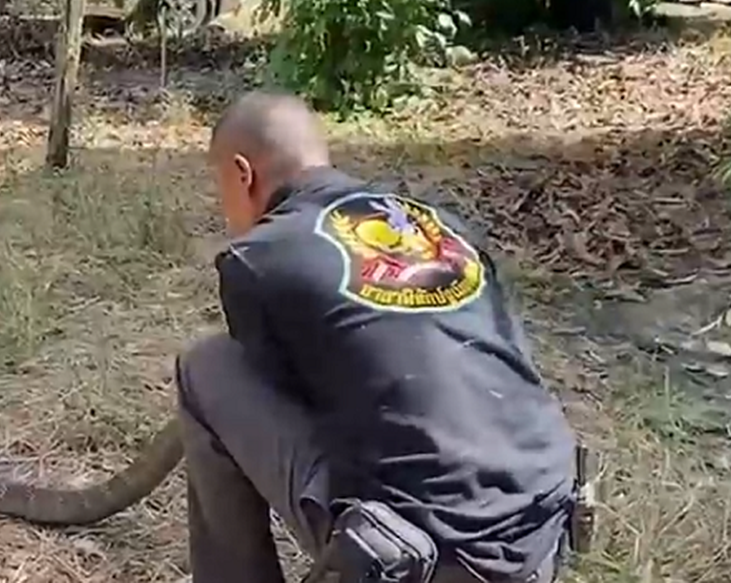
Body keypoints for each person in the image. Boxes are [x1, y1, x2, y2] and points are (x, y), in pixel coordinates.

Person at [177, 91, 579, 583]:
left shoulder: (259, 258)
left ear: (243, 174)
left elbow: (290, 403)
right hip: (542, 535)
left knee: (208, 367)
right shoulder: (442, 227)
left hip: (425, 560)